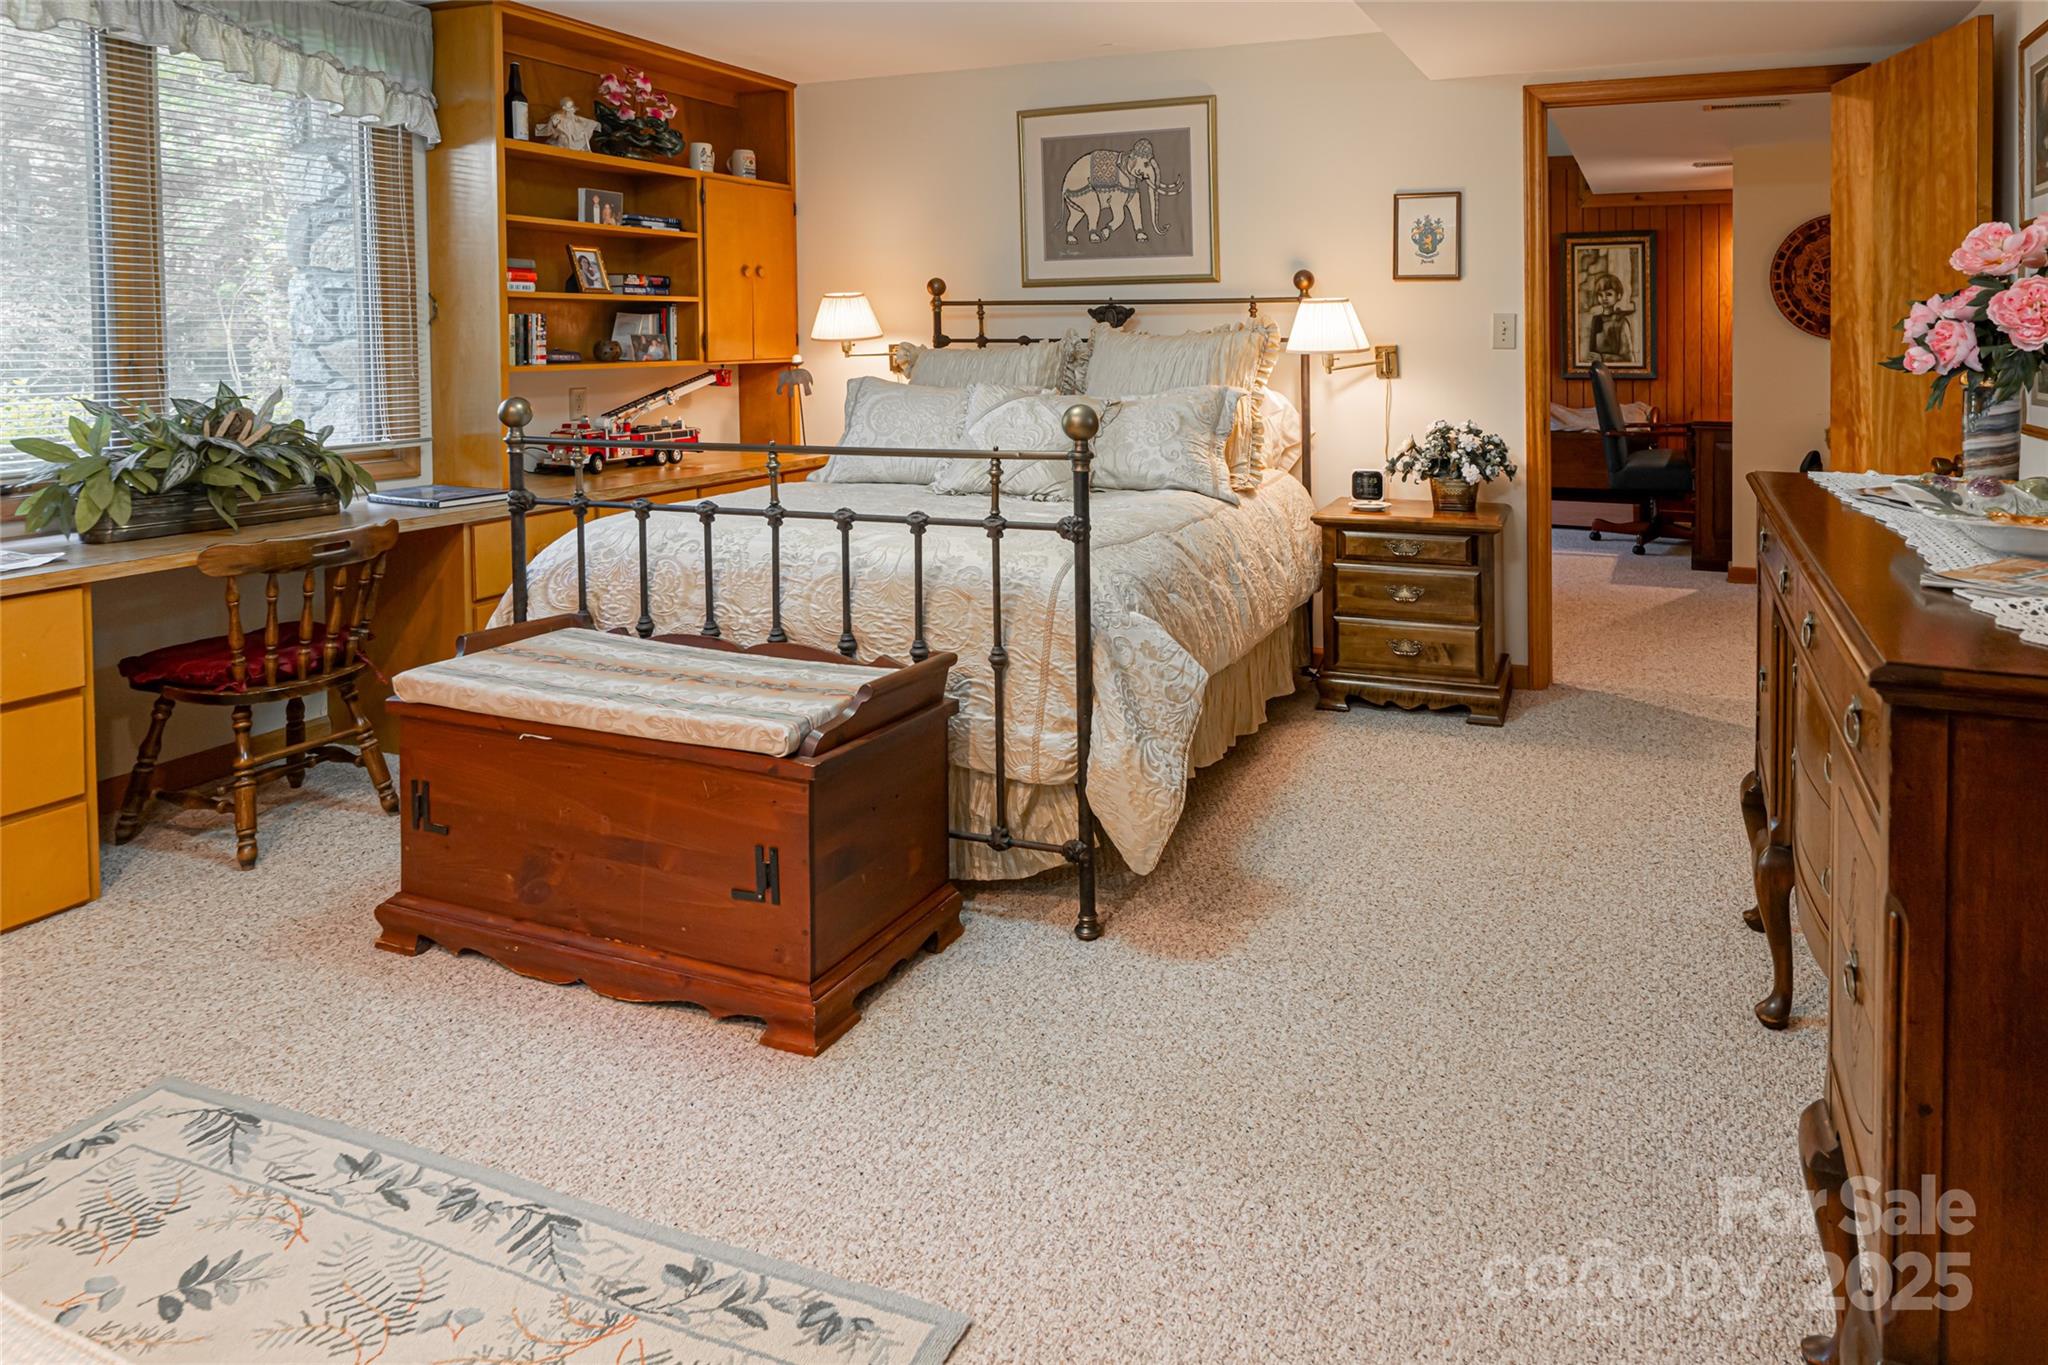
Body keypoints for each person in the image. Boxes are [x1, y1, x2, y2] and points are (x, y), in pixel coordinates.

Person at [1583, 270, 1635, 366]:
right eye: (1600, 295)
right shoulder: (1596, 320)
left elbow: (1628, 358)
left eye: (1609, 294)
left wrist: (1603, 358)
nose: (1604, 298)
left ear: (1618, 296)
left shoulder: (1621, 322)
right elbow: (1592, 351)